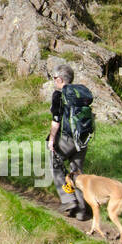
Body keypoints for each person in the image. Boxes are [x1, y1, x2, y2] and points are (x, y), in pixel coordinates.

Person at [47, 63, 95, 219]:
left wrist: (52, 140)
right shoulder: (79, 93)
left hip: (68, 138)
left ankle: (68, 200)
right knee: (77, 173)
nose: (53, 81)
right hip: (83, 139)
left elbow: (56, 121)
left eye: (54, 78)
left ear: (60, 79)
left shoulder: (59, 94)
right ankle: (81, 210)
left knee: (55, 162)